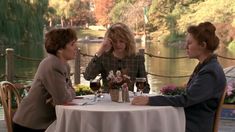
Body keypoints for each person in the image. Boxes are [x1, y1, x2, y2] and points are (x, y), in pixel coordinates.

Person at [132, 22, 226, 132]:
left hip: (193, 126)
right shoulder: (205, 66)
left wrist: (149, 100)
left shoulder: (210, 72)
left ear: (203, 45)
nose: (185, 46)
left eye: (190, 43)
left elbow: (186, 99)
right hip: (186, 120)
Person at [13, 28, 78, 132]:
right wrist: (67, 93)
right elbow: (63, 99)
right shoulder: (53, 64)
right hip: (31, 125)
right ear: (60, 49)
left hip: (44, 123)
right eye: (72, 44)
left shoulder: (63, 65)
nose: (76, 48)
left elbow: (68, 93)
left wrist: (67, 93)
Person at [84, 22, 150, 93]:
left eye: (121, 41)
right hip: (108, 101)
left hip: (128, 100)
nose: (118, 45)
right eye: (114, 41)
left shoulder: (137, 58)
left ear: (128, 41)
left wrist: (139, 97)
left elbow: (145, 86)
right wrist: (101, 50)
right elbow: (88, 76)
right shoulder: (103, 57)